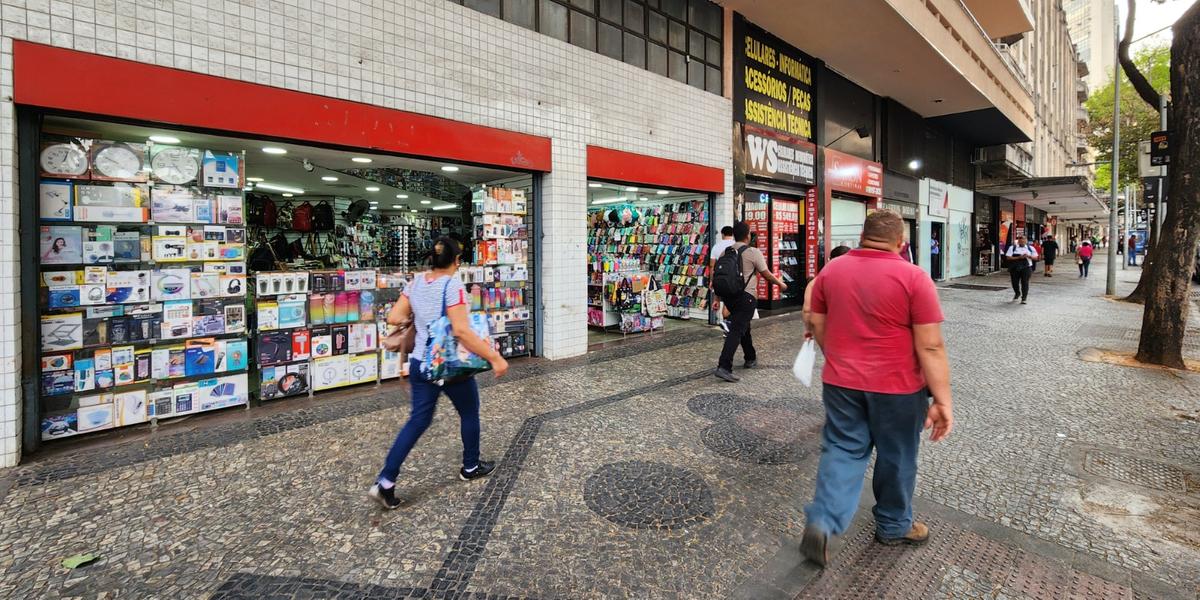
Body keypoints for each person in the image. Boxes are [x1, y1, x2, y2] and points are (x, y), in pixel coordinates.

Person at [800, 210, 953, 568]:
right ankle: (894, 524)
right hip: (899, 388)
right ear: (902, 243)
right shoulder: (914, 278)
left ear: (860, 236)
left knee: (842, 450)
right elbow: (930, 346)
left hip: (841, 384)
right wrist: (943, 400)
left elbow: (816, 322)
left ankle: (824, 520)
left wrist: (837, 358)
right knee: (897, 454)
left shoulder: (831, 272)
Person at [369, 237, 509, 510]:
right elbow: (461, 331)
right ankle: (470, 466)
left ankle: (385, 481)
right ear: (457, 261)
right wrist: (494, 357)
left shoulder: (417, 281)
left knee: (417, 421)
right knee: (469, 412)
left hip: (421, 363)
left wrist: (422, 318)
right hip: (448, 364)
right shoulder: (452, 284)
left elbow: (394, 317)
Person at [713, 221, 788, 382]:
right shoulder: (753, 252)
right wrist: (780, 284)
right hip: (746, 297)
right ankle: (724, 367)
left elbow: (719, 276)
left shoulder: (725, 252)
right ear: (748, 235)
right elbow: (766, 273)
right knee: (736, 330)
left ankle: (750, 357)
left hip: (729, 297)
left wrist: (717, 299)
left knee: (743, 327)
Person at [803, 246, 851, 335]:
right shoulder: (861, 280)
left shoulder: (816, 282)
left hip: (831, 333)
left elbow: (807, 310)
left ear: (829, 259)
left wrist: (809, 331)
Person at [709, 226, 736, 334]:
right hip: (733, 279)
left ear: (722, 234)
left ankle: (726, 324)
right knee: (729, 304)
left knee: (724, 301)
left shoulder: (716, 247)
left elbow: (711, 266)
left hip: (720, 278)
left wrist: (712, 280)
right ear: (732, 234)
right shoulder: (736, 245)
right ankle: (728, 326)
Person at [1004, 236, 1038, 304]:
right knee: (1014, 282)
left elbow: (1036, 258)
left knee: (1025, 282)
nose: (1022, 242)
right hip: (1015, 267)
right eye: (1020, 241)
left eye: (1023, 241)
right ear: (1018, 241)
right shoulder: (1012, 248)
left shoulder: (1030, 248)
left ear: (1026, 241)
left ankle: (1024, 298)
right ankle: (1017, 293)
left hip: (1026, 267)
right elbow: (1008, 257)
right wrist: (1019, 257)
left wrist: (1029, 256)